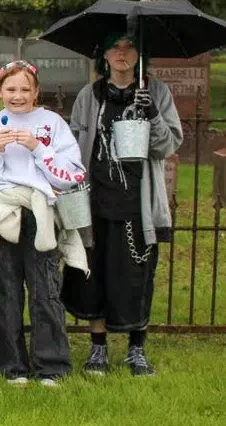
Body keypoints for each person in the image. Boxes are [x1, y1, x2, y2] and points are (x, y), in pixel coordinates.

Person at [62, 32, 182, 376]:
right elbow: (75, 140)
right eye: (115, 46)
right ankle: (97, 347)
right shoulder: (91, 94)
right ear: (104, 54)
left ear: (140, 53)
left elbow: (167, 145)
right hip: (96, 199)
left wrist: (153, 114)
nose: (122, 53)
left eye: (130, 46)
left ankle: (136, 349)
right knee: (94, 274)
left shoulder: (157, 92)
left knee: (135, 276)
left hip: (136, 202)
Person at [0, 61, 86, 387]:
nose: (17, 96)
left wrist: (37, 148)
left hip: (41, 213)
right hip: (3, 215)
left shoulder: (53, 124)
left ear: (35, 91)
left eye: (24, 89)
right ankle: (12, 367)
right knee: (4, 292)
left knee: (45, 291)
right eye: (10, 89)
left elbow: (71, 174)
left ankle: (52, 366)